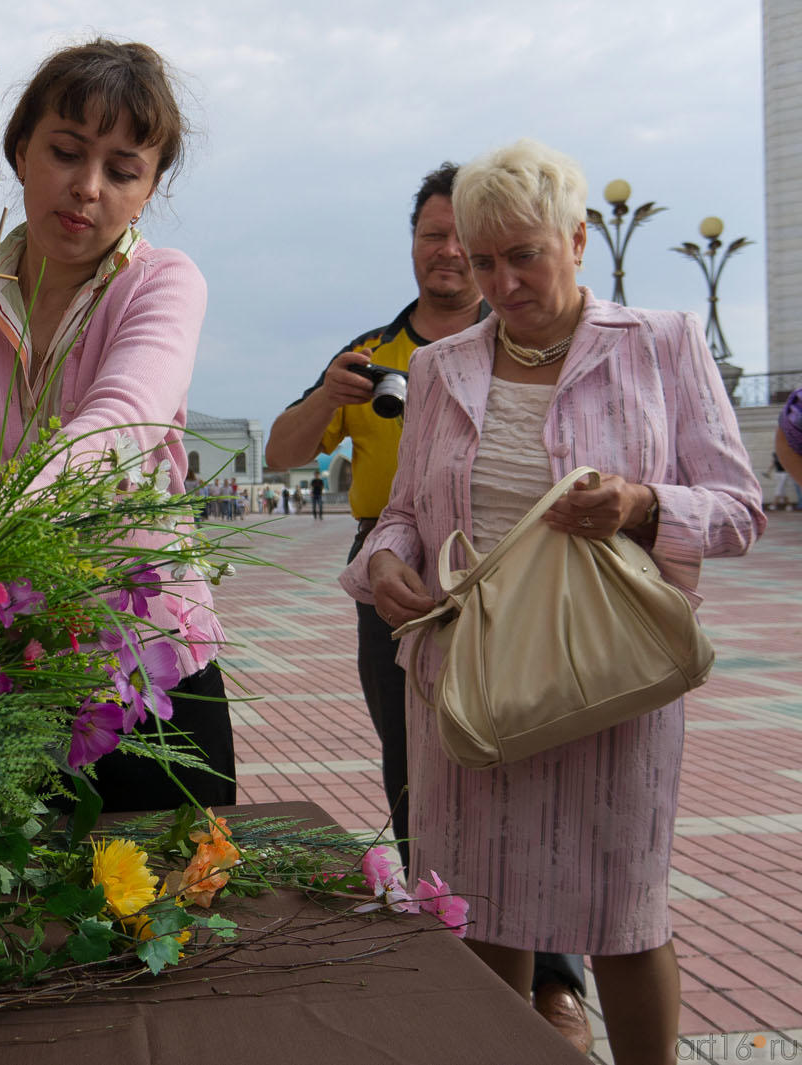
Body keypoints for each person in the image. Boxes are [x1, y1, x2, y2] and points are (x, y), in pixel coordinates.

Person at [340, 139, 764, 1064]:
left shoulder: (663, 343)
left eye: (524, 253)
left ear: (578, 240)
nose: (502, 280)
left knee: (625, 917)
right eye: (484, 259)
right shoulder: (445, 368)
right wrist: (382, 567)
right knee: (480, 909)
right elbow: (403, 515)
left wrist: (644, 505)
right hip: (470, 678)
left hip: (608, 676)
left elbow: (739, 508)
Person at [265, 161, 594, 1048]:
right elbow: (277, 455)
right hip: (394, 571)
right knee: (414, 764)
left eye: (465, 238)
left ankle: (556, 980)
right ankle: (442, 938)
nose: (449, 253)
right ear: (412, 245)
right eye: (432, 235)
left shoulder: (527, 334)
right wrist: (328, 397)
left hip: (519, 569)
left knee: (537, 773)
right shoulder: (375, 349)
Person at [0, 39, 233, 812]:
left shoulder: (162, 283)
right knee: (10, 917)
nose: (86, 188)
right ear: (21, 150)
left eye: (122, 170)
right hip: (4, 668)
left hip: (151, 667)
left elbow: (123, 420)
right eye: (66, 152)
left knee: (170, 908)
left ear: (148, 191)